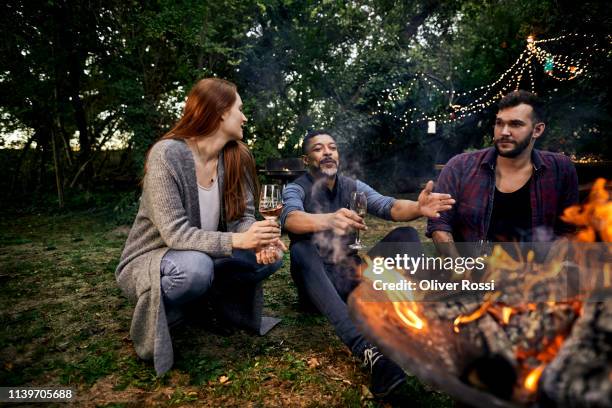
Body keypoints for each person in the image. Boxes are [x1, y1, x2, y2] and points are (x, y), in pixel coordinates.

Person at [115, 78, 286, 375]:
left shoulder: (236, 156)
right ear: (221, 112)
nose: (245, 117)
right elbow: (174, 233)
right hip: (156, 257)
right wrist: (239, 241)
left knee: (271, 258)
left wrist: (259, 238)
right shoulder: (167, 155)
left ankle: (207, 303)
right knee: (195, 269)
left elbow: (242, 218)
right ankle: (167, 312)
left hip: (204, 255)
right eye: (240, 109)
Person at [281, 129, 455, 398]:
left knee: (405, 236)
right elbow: (291, 219)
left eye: (332, 147)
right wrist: (329, 219)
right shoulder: (296, 188)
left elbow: (389, 206)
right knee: (301, 249)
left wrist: (418, 208)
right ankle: (369, 353)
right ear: (307, 159)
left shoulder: (352, 186)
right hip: (316, 283)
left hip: (350, 277)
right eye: (318, 149)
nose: (327, 152)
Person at [427, 90, 579, 257]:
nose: (504, 132)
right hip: (475, 272)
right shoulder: (460, 167)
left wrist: (548, 273)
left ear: (537, 130)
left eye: (515, 124)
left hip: (534, 275)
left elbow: (568, 230)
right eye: (499, 123)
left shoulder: (560, 169)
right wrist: (460, 271)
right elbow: (439, 224)